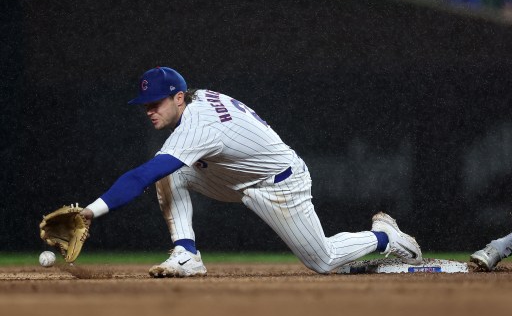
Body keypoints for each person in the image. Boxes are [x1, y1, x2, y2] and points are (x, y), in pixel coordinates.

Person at [79, 66, 422, 277]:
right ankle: (187, 254)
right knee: (172, 171)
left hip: (281, 183)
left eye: (156, 103)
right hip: (235, 176)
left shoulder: (198, 125)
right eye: (145, 105)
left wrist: (89, 213)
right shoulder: (195, 104)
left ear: (179, 97)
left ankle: (386, 237)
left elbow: (139, 177)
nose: (149, 111)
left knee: (324, 260)